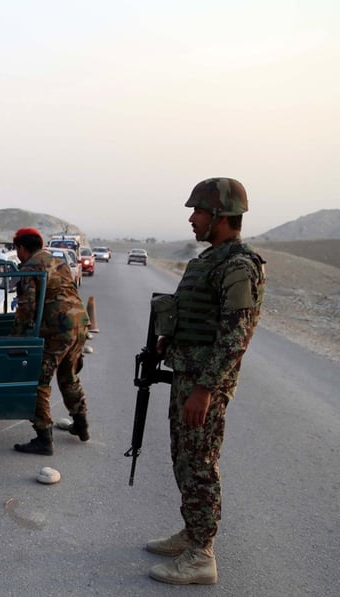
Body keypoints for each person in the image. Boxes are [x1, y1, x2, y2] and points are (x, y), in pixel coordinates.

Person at [146, 178, 265, 585]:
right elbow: (194, 313)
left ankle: (202, 555)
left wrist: (206, 389)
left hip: (204, 384)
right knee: (184, 458)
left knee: (200, 464)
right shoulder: (208, 261)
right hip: (188, 374)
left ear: (220, 215)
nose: (192, 218)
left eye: (198, 211)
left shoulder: (239, 266)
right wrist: (169, 339)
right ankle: (192, 532)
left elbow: (235, 337)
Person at [9, 228, 90, 455]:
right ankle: (81, 425)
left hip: (57, 329)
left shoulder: (29, 267)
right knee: (68, 375)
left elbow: (26, 308)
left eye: (17, 249)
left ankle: (44, 438)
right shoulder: (58, 262)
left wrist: (15, 339)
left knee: (38, 382)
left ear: (22, 248)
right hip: (79, 323)